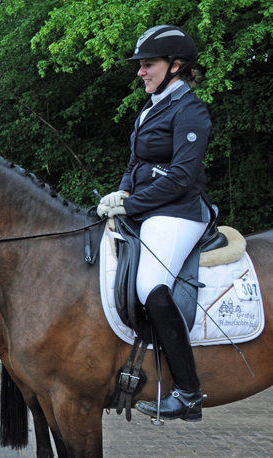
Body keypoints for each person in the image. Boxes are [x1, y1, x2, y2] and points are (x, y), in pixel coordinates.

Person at [98, 25, 211, 421]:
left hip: (180, 212)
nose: (141, 72)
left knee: (149, 284)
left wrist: (131, 206)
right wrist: (122, 193)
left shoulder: (190, 109)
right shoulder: (151, 107)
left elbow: (181, 176)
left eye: (148, 65)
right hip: (146, 207)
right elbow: (136, 163)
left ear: (175, 66)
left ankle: (189, 393)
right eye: (141, 65)